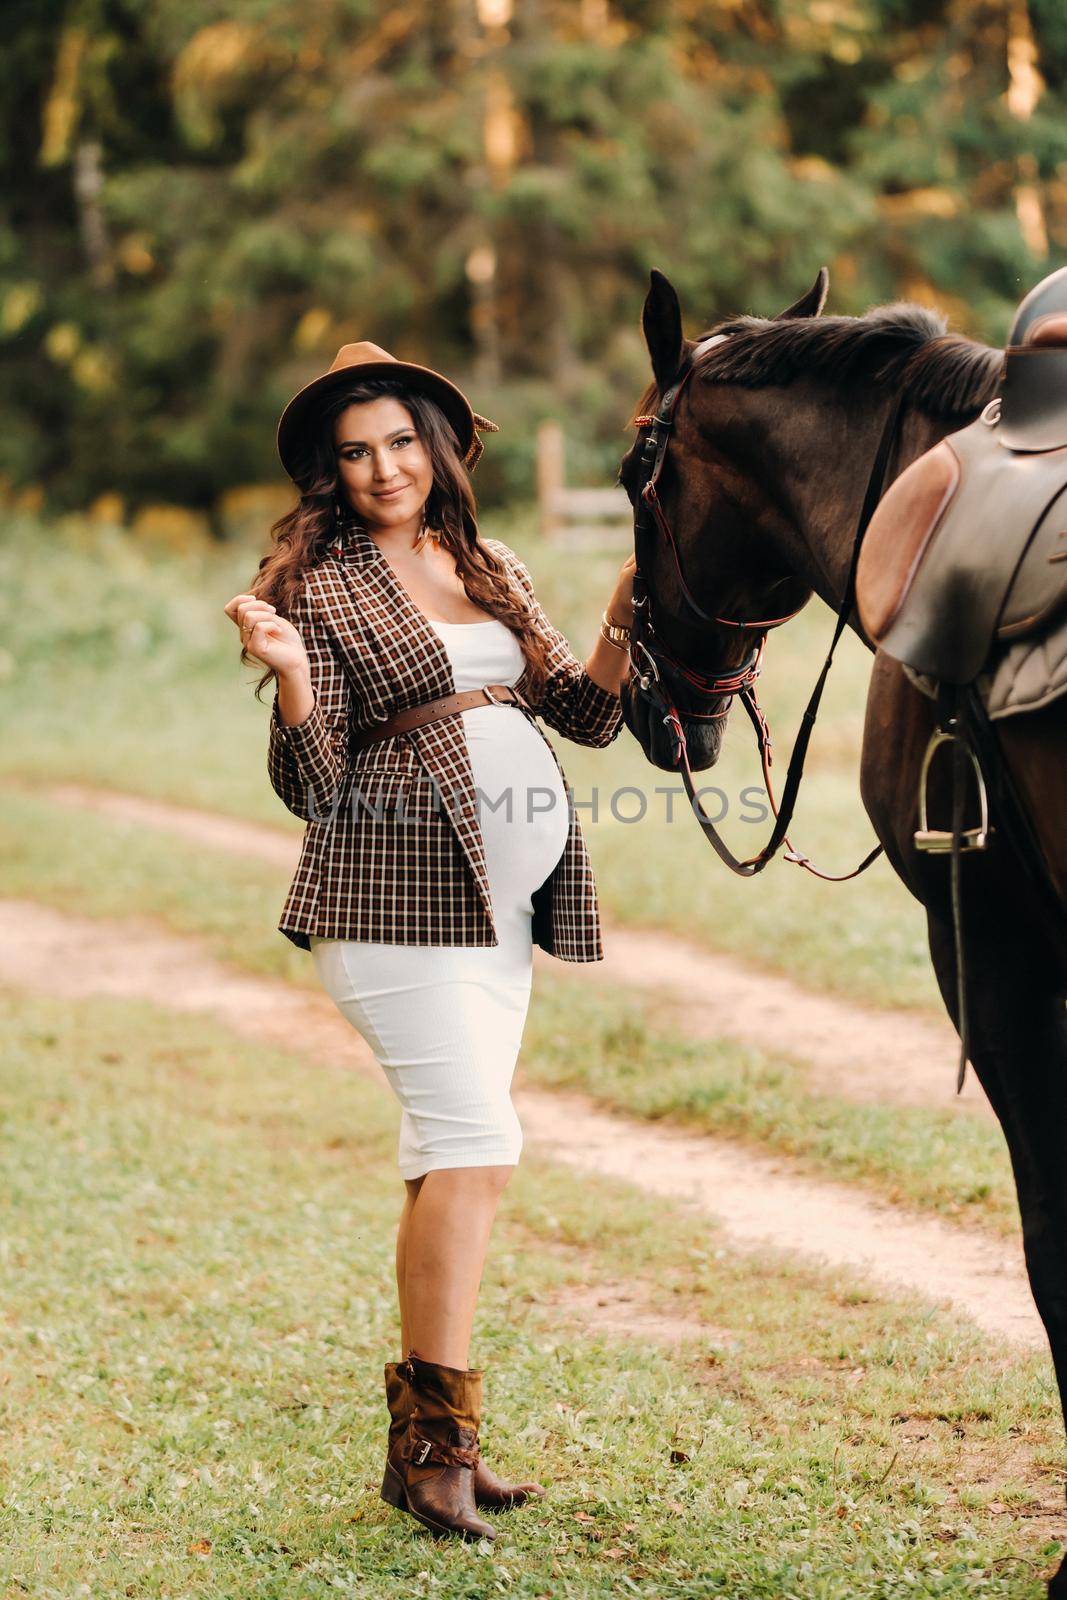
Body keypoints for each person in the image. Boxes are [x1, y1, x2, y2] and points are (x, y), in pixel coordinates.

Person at [223, 341, 634, 1542]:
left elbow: (586, 712)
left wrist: (620, 610)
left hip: (495, 913)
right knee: (476, 1144)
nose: (382, 467)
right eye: (355, 453)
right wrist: (294, 677)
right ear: (329, 472)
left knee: (442, 1154)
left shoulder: (485, 561)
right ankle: (436, 1445)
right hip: (387, 904)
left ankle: (426, 1451)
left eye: (400, 441)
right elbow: (313, 781)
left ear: (437, 445)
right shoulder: (320, 587)